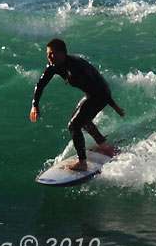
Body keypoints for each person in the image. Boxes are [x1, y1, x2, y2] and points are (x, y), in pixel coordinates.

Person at [30, 39, 125, 171]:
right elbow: (40, 84)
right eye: (48, 54)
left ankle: (82, 163)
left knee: (74, 125)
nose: (48, 57)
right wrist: (35, 105)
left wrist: (114, 106)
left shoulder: (77, 66)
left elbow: (99, 86)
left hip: (101, 93)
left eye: (52, 54)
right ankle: (104, 146)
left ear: (62, 53)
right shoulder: (54, 66)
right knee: (82, 121)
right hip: (91, 93)